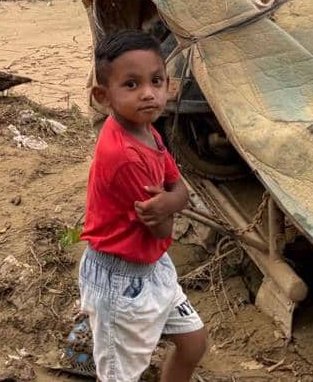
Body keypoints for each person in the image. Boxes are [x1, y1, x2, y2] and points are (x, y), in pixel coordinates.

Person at [79, 29, 207, 382]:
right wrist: (171, 203)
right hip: (120, 279)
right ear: (103, 95)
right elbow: (163, 223)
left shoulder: (146, 129)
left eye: (156, 81)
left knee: (193, 342)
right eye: (131, 85)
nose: (149, 93)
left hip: (153, 266)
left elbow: (180, 188)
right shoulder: (124, 156)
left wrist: (170, 201)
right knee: (121, 375)